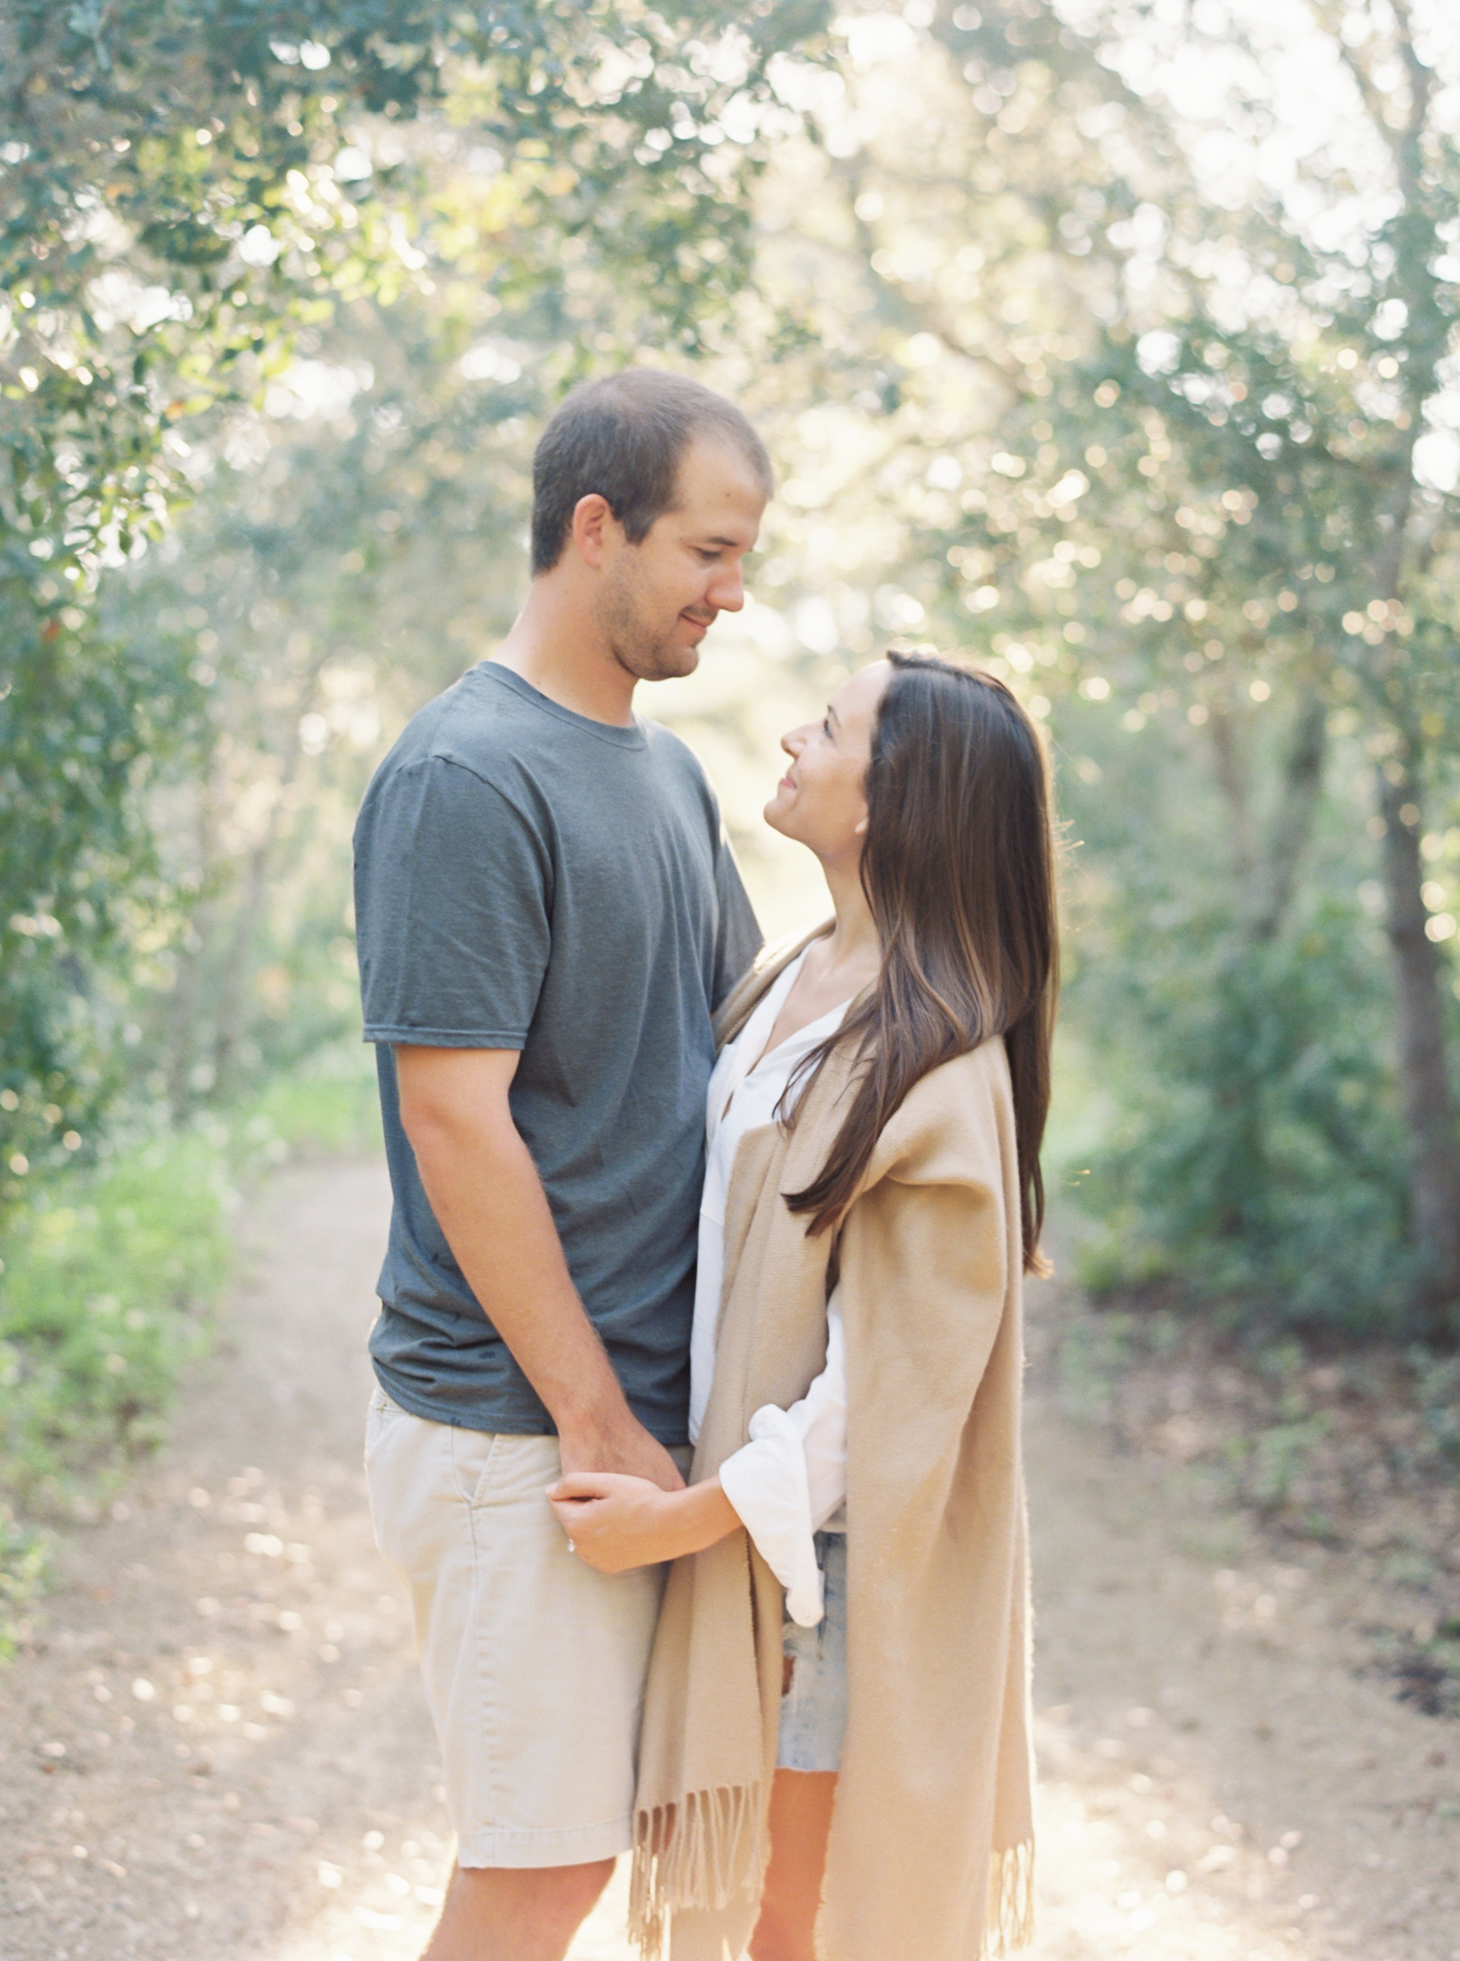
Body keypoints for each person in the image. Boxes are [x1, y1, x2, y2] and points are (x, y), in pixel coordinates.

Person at [550, 648, 1056, 1961]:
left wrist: (684, 1516)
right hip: (750, 1522)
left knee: (796, 1926)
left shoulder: (942, 1056)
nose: (788, 737)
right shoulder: (794, 975)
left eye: (825, 728)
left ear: (891, 801)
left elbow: (884, 1394)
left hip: (822, 1559)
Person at [353, 368, 769, 1961]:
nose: (731, 593)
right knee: (536, 1870)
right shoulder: (467, 774)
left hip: (639, 1424)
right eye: (707, 552)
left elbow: (738, 1047)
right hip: (519, 1429)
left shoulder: (664, 775)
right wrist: (601, 1418)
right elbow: (457, 1121)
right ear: (596, 527)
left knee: (602, 1859)